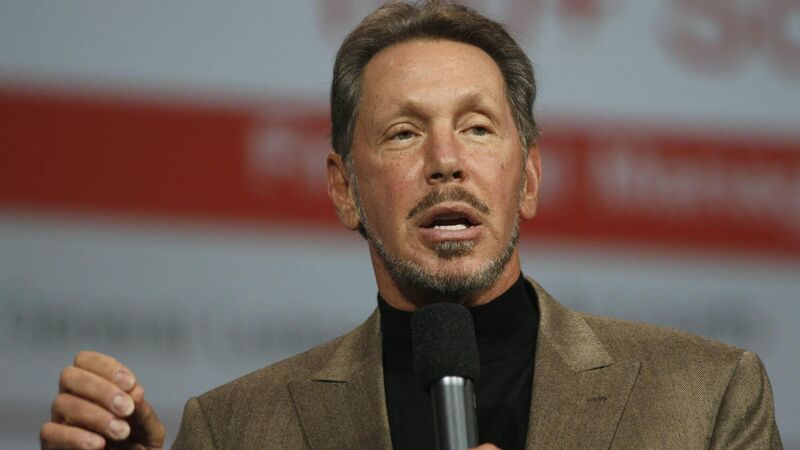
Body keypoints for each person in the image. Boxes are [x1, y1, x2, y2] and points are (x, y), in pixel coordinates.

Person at [40, 1, 782, 449]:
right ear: (345, 190)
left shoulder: (709, 395)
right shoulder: (234, 429)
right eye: (403, 133)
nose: (446, 162)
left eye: (478, 128)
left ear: (528, 179)